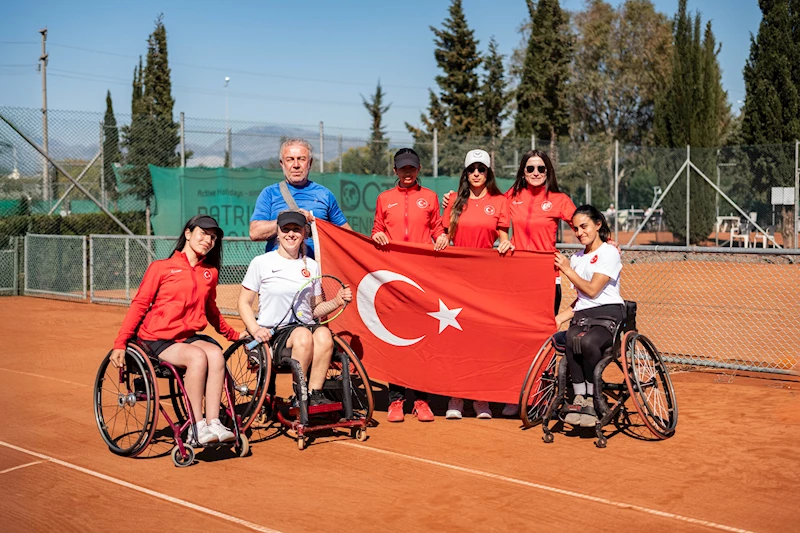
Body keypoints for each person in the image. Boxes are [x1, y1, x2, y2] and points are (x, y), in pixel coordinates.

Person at [442, 149, 576, 417]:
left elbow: (583, 225)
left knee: (543, 339)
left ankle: (540, 395)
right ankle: (513, 394)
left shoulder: (559, 199)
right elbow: (481, 206)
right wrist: (451, 200)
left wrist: (605, 242)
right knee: (513, 340)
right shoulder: (509, 198)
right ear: (522, 172)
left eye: (540, 169)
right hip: (514, 282)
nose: (535, 173)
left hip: (546, 279)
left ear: (548, 171)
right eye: (530, 169)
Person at [110, 215, 241, 445]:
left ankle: (214, 422)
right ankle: (196, 426)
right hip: (156, 338)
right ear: (188, 234)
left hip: (186, 336)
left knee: (216, 354)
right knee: (198, 357)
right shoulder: (161, 267)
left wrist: (234, 335)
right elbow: (140, 305)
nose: (208, 240)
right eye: (203, 233)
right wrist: (120, 342)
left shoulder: (209, 272)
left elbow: (211, 310)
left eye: (212, 237)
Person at [238, 210, 352, 407]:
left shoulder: (313, 266)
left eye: (296, 230)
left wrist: (337, 301)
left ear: (304, 234)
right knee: (302, 335)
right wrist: (255, 330)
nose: (291, 234)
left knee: (324, 334)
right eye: (286, 229)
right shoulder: (262, 263)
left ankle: (315, 393)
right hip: (276, 333)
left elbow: (315, 309)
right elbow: (243, 302)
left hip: (306, 326)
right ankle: (300, 394)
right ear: (278, 233)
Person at [371, 147, 448, 423]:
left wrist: (442, 237)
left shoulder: (429, 197)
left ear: (418, 170)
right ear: (395, 171)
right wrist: (378, 234)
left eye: (411, 168)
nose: (407, 172)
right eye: (402, 168)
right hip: (394, 279)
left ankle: (422, 399)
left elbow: (437, 227)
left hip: (423, 277)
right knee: (397, 337)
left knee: (422, 337)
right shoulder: (384, 199)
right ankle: (396, 399)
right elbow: (376, 228)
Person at [441, 149, 513, 420]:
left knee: (482, 340)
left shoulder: (499, 201)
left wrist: (505, 242)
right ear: (465, 172)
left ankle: (481, 399)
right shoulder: (454, 201)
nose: (476, 174)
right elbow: (444, 234)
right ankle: (456, 397)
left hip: (485, 280)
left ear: (488, 172)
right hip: (456, 278)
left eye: (481, 169)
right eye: (472, 169)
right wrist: (441, 238)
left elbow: (503, 237)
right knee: (457, 339)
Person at [554, 205, 624, 428]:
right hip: (583, 315)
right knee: (571, 339)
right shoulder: (576, 258)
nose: (579, 232)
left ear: (598, 224)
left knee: (587, 341)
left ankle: (595, 396)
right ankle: (580, 397)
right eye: (575, 228)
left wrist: (567, 270)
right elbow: (581, 299)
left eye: (584, 226)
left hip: (608, 313)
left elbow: (593, 290)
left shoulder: (609, 252)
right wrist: (559, 317)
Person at [249, 138, 352, 258]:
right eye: (290, 160)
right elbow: (254, 233)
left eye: (301, 159)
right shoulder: (269, 193)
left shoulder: (325, 194)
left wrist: (314, 223)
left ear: (310, 163)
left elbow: (348, 236)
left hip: (317, 270)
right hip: (279, 271)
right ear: (282, 164)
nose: (296, 165)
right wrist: (290, 218)